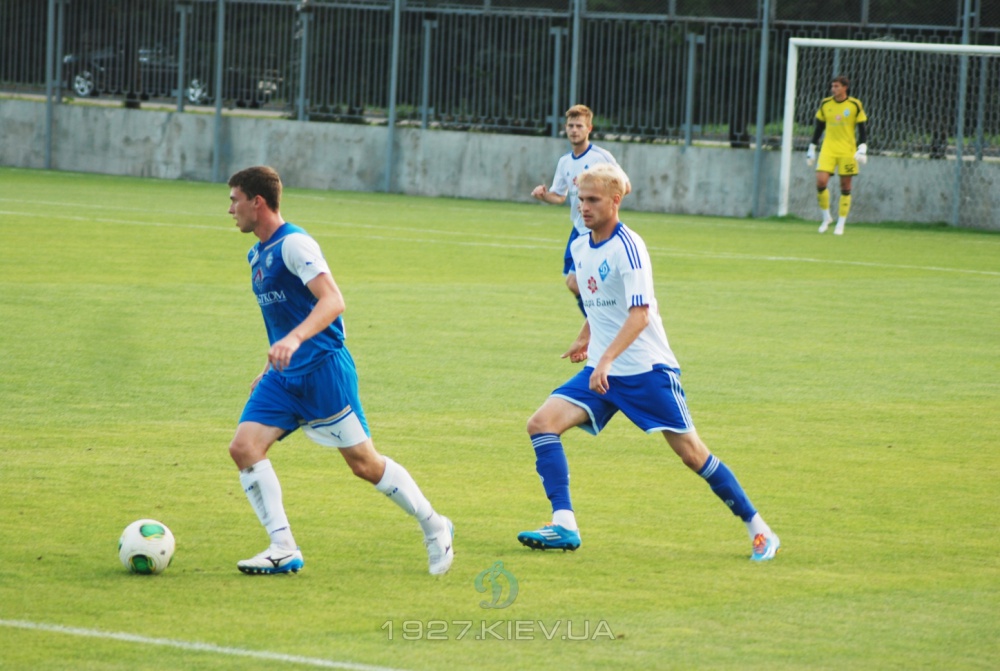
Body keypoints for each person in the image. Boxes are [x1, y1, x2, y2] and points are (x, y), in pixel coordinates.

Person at [517, 164, 779, 562]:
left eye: (593, 200)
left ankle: (759, 529)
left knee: (693, 454)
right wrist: (586, 336)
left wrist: (605, 359)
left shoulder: (629, 246)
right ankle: (565, 525)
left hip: (646, 371)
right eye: (580, 199)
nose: (584, 207)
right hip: (603, 372)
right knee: (541, 424)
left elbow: (639, 314)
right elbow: (601, 300)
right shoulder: (581, 246)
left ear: (615, 201)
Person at [226, 166, 453, 576]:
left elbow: (332, 301)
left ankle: (435, 525)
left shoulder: (294, 244)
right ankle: (283, 547)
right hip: (284, 376)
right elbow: (284, 316)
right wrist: (271, 362)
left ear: (257, 202)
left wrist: (295, 341)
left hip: (323, 371)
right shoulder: (256, 254)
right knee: (244, 448)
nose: (230, 210)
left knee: (364, 464)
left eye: (234, 200)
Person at [532, 104, 631, 316]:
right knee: (576, 284)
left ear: (589, 129)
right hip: (578, 229)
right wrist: (544, 196)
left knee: (579, 282)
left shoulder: (600, 157)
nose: (574, 130)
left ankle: (604, 327)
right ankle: (602, 326)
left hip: (596, 231)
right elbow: (559, 195)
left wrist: (597, 203)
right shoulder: (565, 162)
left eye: (579, 126)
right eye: (571, 126)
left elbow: (625, 187)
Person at [806, 75, 869, 235]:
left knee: (845, 186)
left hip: (847, 151)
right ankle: (826, 217)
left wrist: (862, 147)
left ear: (845, 87)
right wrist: (812, 148)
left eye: (836, 86)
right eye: (832, 86)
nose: (833, 89)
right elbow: (819, 127)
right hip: (828, 149)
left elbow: (862, 128)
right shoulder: (825, 103)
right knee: (821, 181)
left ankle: (841, 223)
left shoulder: (854, 104)